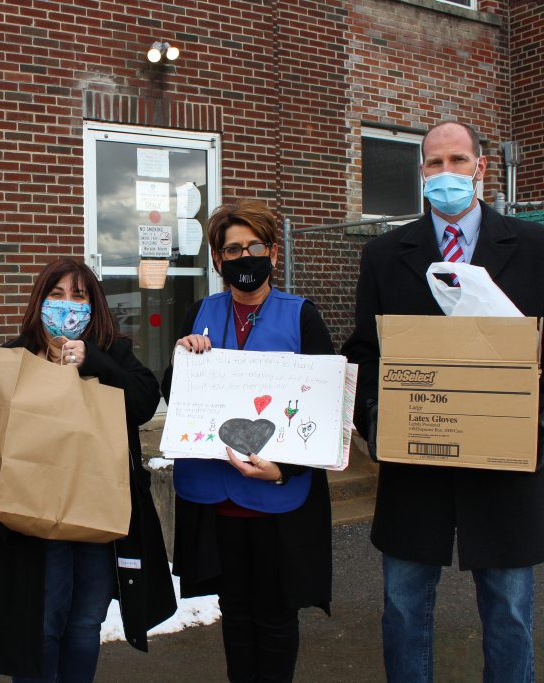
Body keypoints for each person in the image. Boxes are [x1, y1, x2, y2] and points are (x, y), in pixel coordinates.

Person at [341, 121, 544, 682]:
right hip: (416, 466)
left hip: (507, 464)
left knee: (508, 613)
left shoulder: (540, 248)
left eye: (458, 160)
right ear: (422, 172)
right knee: (404, 610)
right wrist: (375, 415)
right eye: (434, 163)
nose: (446, 173)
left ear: (481, 167)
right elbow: (364, 352)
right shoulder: (385, 255)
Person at [0, 258, 177, 682]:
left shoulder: (112, 352)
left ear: (94, 306)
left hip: (96, 518)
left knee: (84, 623)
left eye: (79, 295)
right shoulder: (10, 359)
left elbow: (142, 403)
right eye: (56, 294)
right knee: (40, 625)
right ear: (39, 302)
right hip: (30, 524)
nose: (67, 305)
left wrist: (95, 361)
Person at [161, 199, 335, 682]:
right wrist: (184, 360)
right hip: (217, 500)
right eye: (232, 249)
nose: (244, 257)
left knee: (276, 616)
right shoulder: (201, 312)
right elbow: (173, 396)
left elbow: (325, 408)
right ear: (218, 260)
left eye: (254, 246)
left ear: (273, 254)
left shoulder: (302, 316)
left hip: (278, 499)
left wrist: (286, 470)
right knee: (234, 612)